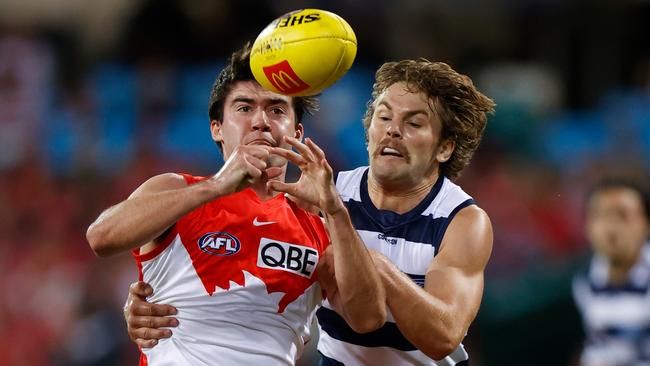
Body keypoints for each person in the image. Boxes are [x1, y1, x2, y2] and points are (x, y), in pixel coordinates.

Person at [124, 58, 496, 365]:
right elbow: (246, 245)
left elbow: (444, 336)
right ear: (368, 131)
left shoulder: (461, 219)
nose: (392, 131)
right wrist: (152, 296)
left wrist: (379, 268)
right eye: (383, 118)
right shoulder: (317, 192)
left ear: (445, 148)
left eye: (413, 123)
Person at [86, 44, 386, 366]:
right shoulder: (177, 190)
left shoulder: (320, 229)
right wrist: (215, 186)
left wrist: (337, 212)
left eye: (277, 110)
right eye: (244, 108)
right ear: (217, 128)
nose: (260, 121)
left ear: (296, 132)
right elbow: (101, 237)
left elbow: (367, 319)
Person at [572, 179, 650, 366]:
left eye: (622, 215)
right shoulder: (584, 282)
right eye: (599, 216)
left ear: (646, 224)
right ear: (586, 228)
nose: (611, 228)